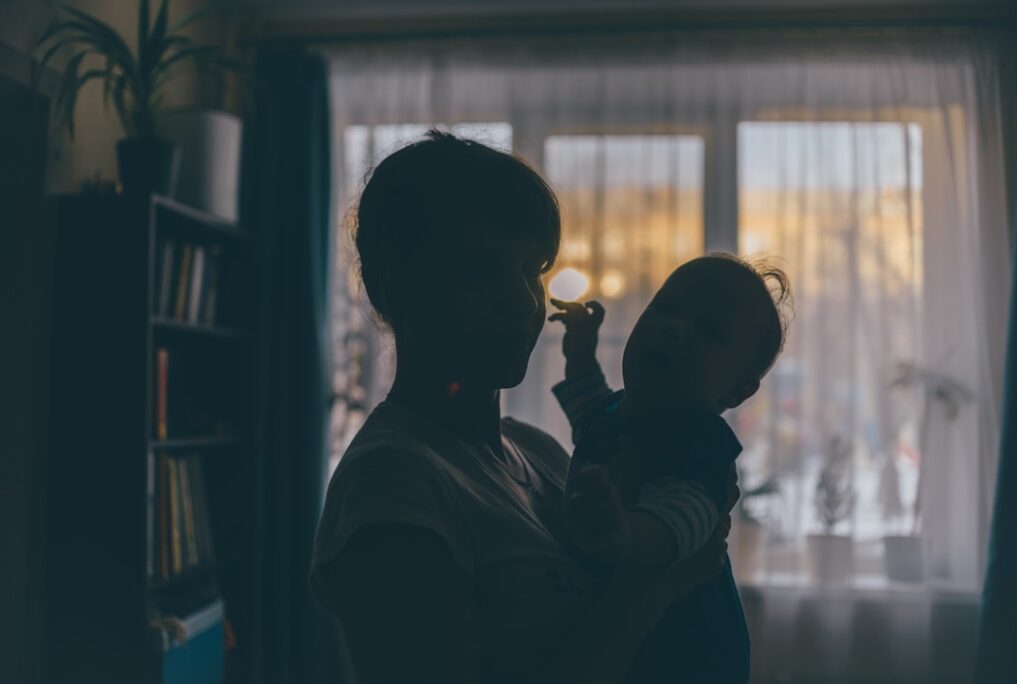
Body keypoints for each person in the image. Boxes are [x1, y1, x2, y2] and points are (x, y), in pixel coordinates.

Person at [309, 131, 732, 684]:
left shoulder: (542, 452)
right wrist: (650, 588)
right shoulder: (391, 484)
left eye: (533, 269)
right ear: (395, 285)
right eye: (482, 270)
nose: (522, 301)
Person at [548, 255, 792, 683]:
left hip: (687, 654)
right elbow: (591, 420)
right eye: (665, 307)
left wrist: (627, 532)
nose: (675, 327)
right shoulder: (618, 410)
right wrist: (582, 356)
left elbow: (683, 518)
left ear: (737, 389)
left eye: (709, 331)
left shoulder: (699, 444)